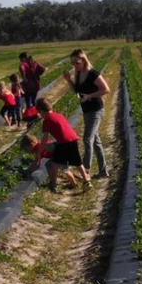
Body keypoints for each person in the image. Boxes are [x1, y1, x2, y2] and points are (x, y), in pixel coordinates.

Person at [62, 48, 110, 178]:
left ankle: (85, 170)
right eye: (72, 63)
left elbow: (106, 89)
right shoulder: (78, 74)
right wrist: (68, 80)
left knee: (87, 138)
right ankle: (103, 171)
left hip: (96, 109)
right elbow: (76, 91)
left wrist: (89, 96)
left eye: (76, 62)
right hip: (86, 110)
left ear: (83, 60)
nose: (74, 65)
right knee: (95, 141)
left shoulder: (92, 74)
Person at [36, 97, 91, 193]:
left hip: (63, 143)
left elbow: (45, 139)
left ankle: (53, 184)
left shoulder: (47, 121)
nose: (40, 115)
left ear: (41, 111)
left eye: (39, 113)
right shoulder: (58, 115)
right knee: (78, 162)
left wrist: (39, 154)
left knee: (55, 163)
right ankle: (86, 181)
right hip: (73, 139)